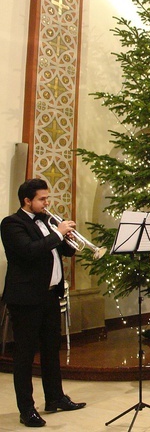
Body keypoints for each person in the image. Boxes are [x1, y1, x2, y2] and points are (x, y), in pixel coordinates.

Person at [1, 178, 86, 428]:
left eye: (47, 198)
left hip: (50, 295)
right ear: (27, 201)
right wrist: (57, 233)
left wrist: (67, 236)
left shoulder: (48, 222)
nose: (47, 203)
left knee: (51, 350)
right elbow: (29, 251)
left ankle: (55, 398)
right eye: (42, 199)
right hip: (26, 299)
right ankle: (26, 409)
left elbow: (66, 252)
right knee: (25, 355)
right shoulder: (11, 223)